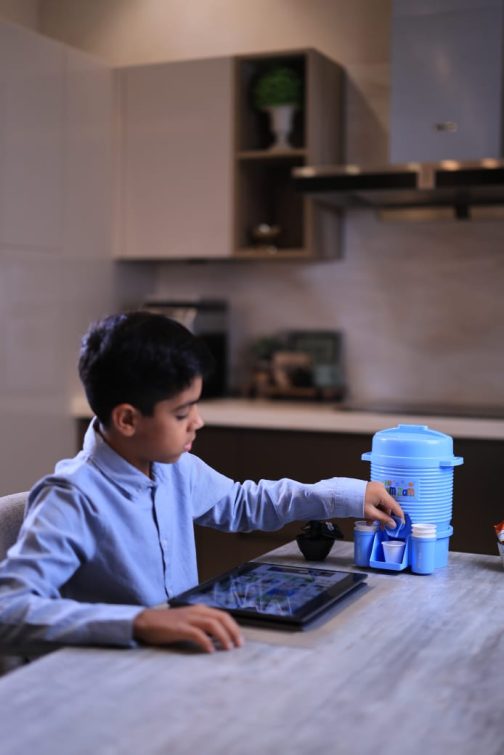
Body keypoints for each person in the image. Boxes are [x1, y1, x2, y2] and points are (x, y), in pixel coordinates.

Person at [0, 312, 403, 655]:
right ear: (126, 420)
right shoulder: (72, 497)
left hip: (177, 662)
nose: (198, 422)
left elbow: (244, 504)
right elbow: (9, 609)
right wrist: (139, 622)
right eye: (181, 413)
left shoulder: (171, 466)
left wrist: (344, 494)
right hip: (114, 681)